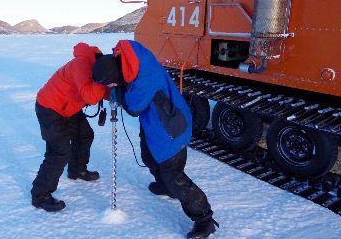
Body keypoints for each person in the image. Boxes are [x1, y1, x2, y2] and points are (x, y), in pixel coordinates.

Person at [92, 40, 218, 239]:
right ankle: (164, 185)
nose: (111, 87)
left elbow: (134, 107)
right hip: (154, 122)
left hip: (170, 127)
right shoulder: (129, 61)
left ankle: (204, 220)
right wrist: (118, 86)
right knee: (148, 156)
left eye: (110, 83)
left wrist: (119, 91)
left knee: (175, 177)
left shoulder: (142, 77)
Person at [31, 42, 110, 212]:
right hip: (50, 108)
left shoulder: (94, 66)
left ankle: (77, 170)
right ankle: (40, 195)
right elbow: (90, 96)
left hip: (69, 108)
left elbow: (103, 91)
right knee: (58, 151)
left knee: (85, 135)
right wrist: (104, 80)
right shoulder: (82, 64)